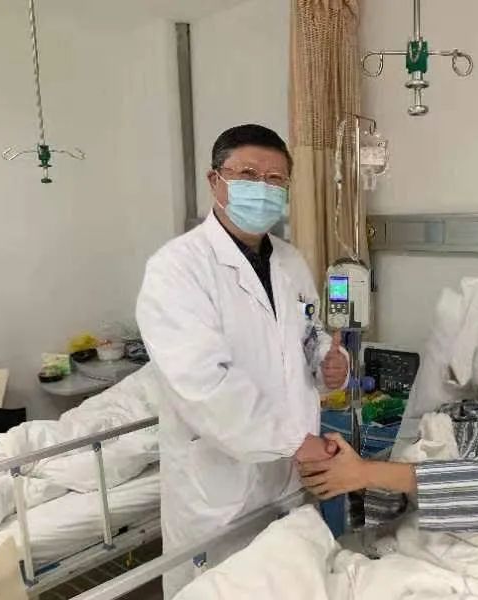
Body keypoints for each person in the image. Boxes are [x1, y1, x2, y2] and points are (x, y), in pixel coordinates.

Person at [136, 124, 349, 598]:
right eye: (249, 174)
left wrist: (329, 364)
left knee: (290, 579)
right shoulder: (177, 268)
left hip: (287, 475)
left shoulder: (291, 261)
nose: (263, 188)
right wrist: (295, 440)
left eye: (275, 179)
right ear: (216, 180)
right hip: (219, 484)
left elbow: (308, 335)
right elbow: (204, 384)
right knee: (220, 587)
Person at [297, 297, 478, 532]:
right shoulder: (451, 416)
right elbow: (396, 500)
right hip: (424, 551)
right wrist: (340, 472)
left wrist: (366, 472)